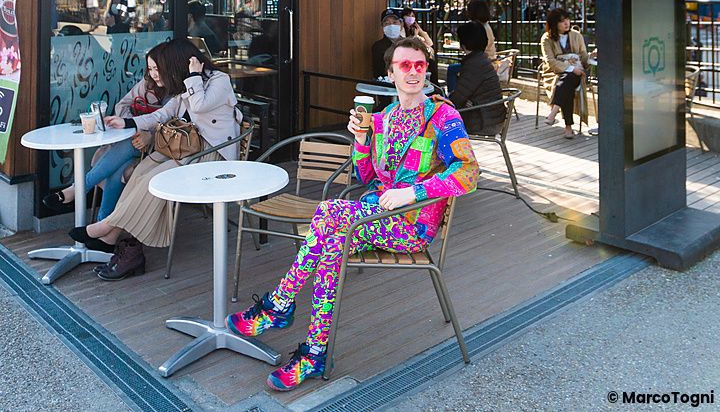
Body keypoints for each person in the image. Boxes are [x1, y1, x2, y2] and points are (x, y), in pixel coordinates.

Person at [227, 36, 479, 391]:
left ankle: (279, 305)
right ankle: (315, 353)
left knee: (329, 212)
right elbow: (364, 176)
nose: (413, 72)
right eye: (404, 65)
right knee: (331, 244)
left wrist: (412, 192)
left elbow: (468, 173)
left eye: (419, 65)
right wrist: (361, 140)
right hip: (371, 216)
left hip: (412, 224)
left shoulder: (442, 116)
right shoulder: (385, 118)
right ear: (390, 73)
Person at [73, 38, 241, 278]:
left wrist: (193, 76)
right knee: (142, 171)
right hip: (187, 147)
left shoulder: (219, 81)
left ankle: (107, 227)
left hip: (213, 153)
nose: (158, 73)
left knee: (156, 179)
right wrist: (128, 122)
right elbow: (163, 114)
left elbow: (200, 105)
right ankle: (112, 235)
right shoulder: (186, 86)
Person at [42, 43, 171, 220]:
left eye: (157, 68)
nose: (154, 73)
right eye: (150, 68)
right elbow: (122, 105)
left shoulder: (179, 93)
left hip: (160, 149)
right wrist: (132, 125)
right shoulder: (148, 84)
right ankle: (102, 227)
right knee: (118, 171)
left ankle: (78, 188)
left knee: (125, 147)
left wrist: (144, 131)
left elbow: (170, 123)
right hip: (134, 143)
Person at [540, 8, 590, 139]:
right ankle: (568, 127)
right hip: (554, 73)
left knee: (568, 80)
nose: (566, 23)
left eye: (567, 19)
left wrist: (590, 57)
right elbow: (550, 62)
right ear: (554, 24)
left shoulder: (576, 35)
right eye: (562, 21)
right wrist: (570, 68)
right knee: (567, 82)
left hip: (577, 71)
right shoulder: (547, 38)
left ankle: (554, 112)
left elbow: (584, 56)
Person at [450, 21, 504, 123]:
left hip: (482, 121)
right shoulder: (481, 59)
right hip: (492, 116)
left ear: (464, 43)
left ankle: (418, 139)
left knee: (434, 121)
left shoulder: (473, 64)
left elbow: (456, 99)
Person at [370, 8, 402, 78]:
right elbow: (379, 72)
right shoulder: (378, 47)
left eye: (394, 22)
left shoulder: (409, 44)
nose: (391, 26)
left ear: (401, 24)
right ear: (382, 26)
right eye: (387, 23)